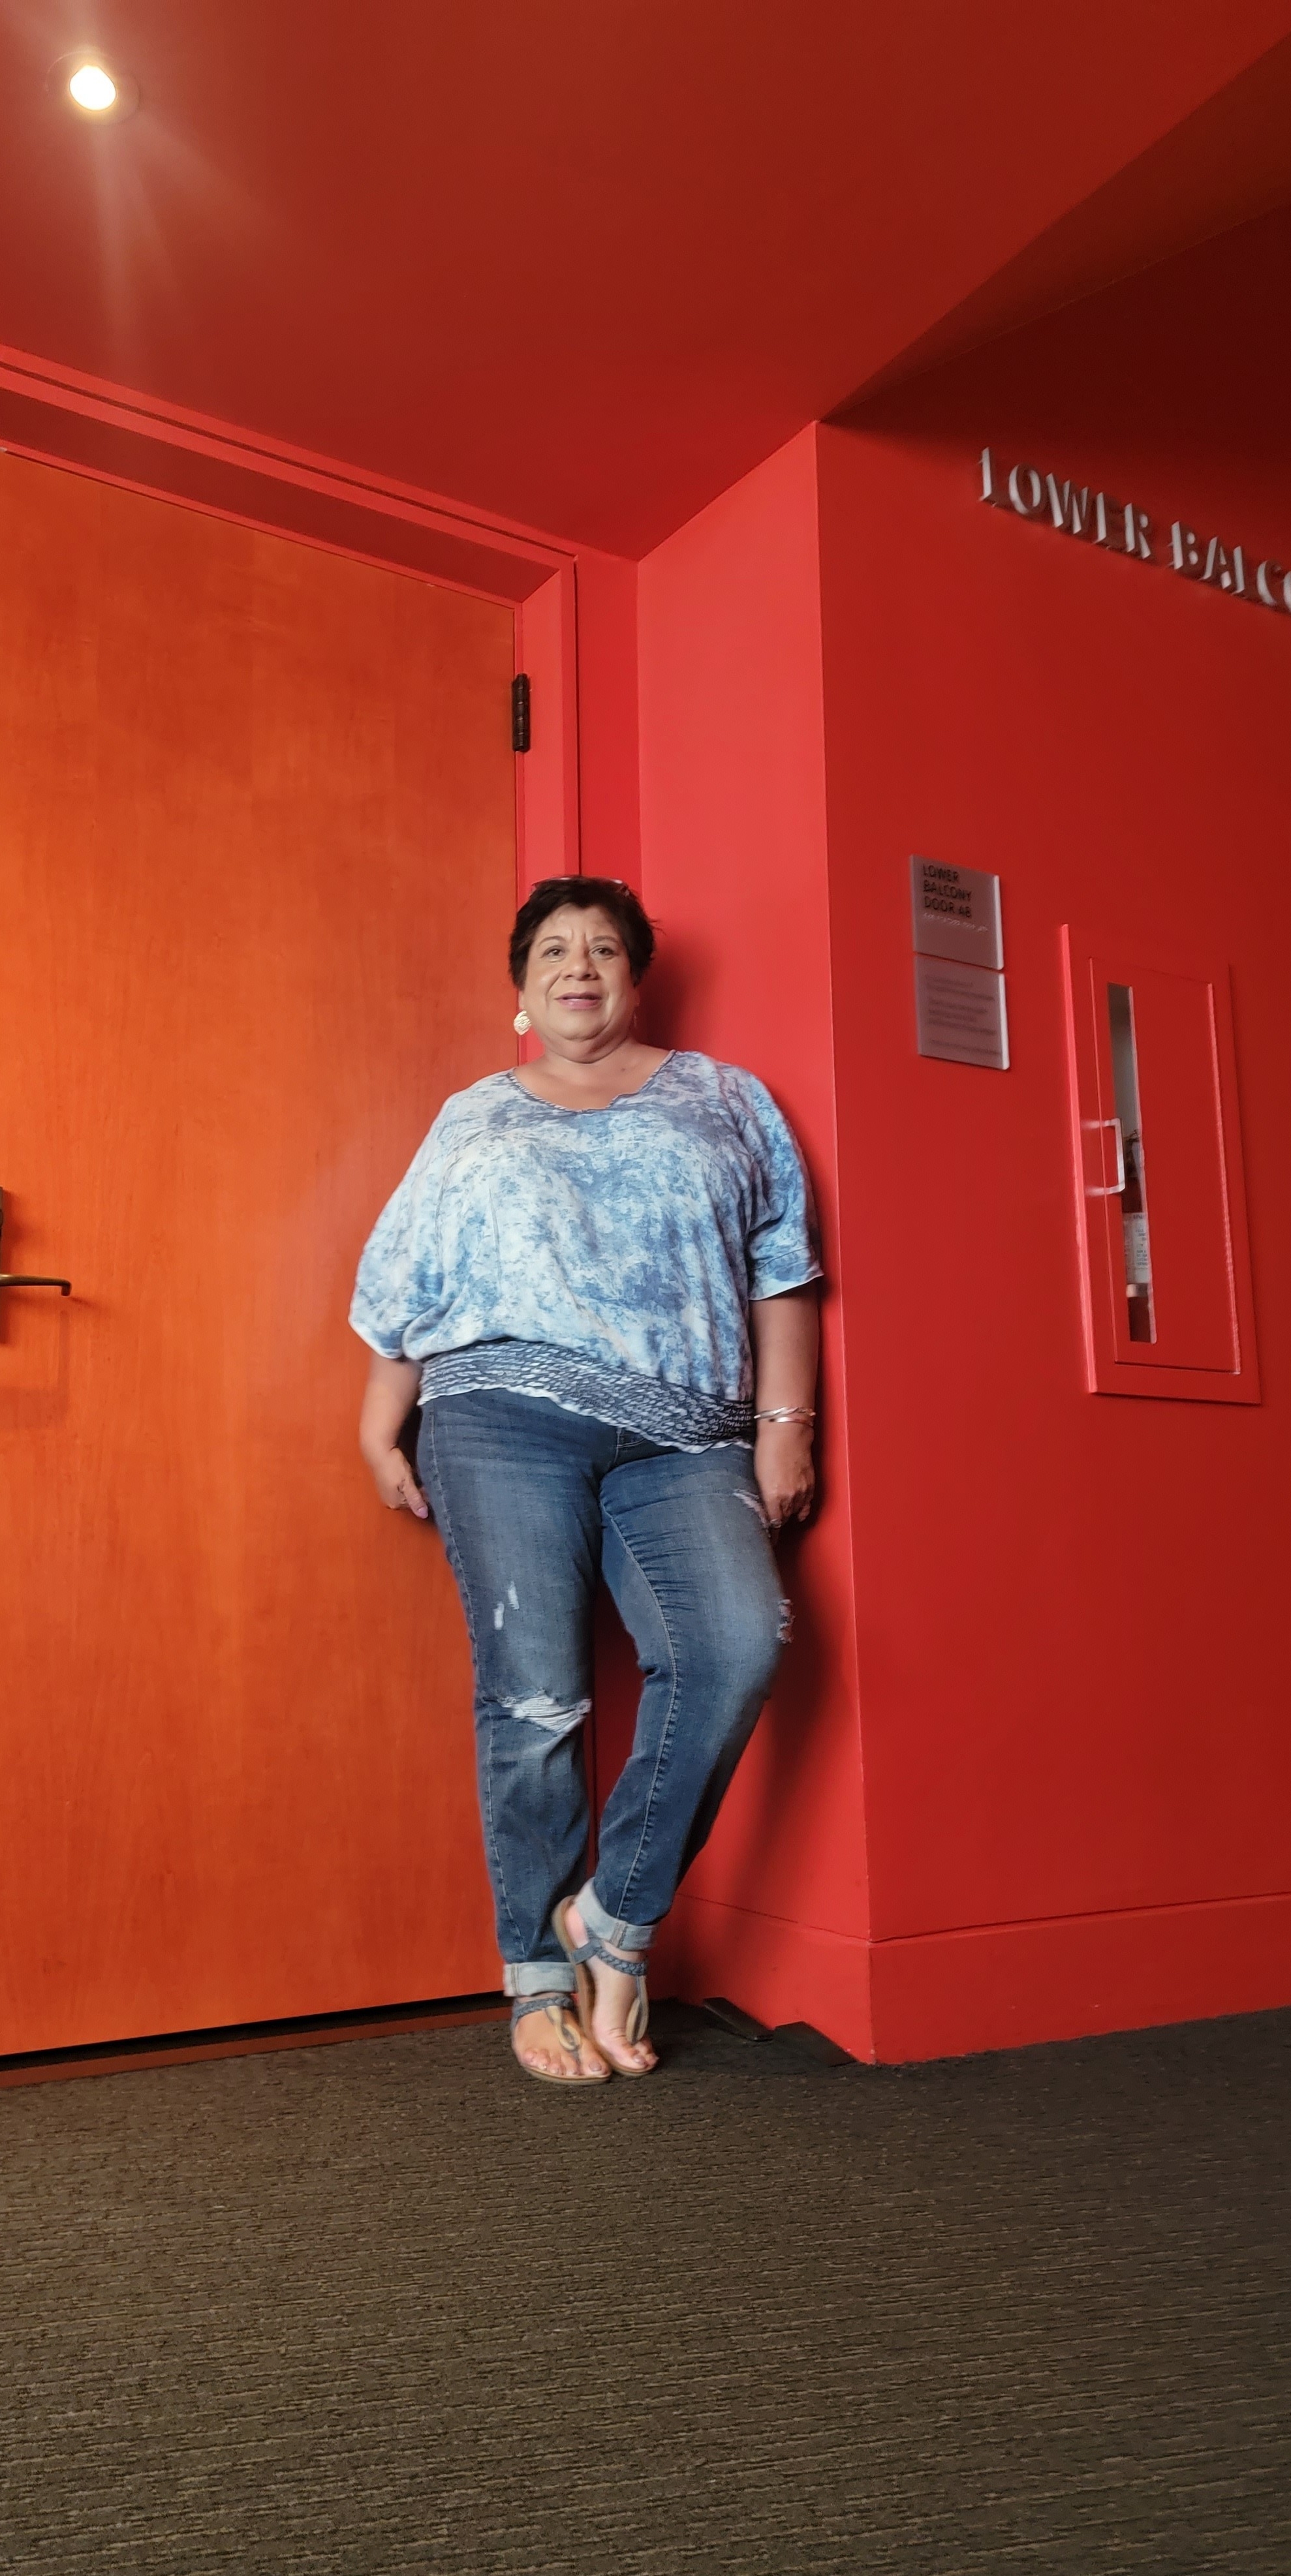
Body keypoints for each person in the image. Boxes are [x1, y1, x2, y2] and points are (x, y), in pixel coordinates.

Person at [350, 877, 821, 2086]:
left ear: (635, 977)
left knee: (736, 1646)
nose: (578, 966)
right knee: (536, 1696)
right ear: (522, 988)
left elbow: (781, 1272)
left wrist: (786, 1427)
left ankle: (612, 1920)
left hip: (688, 1429)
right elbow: (410, 1277)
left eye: (603, 948)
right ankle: (536, 1978)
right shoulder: (473, 1116)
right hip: (499, 1415)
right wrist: (378, 1422)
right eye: (553, 950)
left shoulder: (725, 1099)